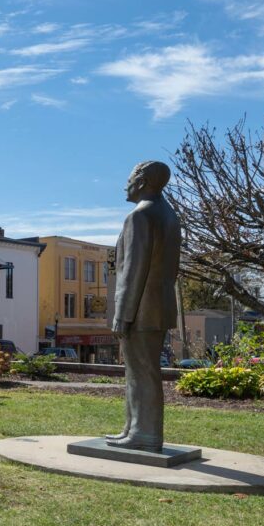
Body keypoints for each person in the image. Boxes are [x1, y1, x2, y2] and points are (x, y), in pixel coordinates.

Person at [106, 160, 182, 452]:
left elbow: (133, 271)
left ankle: (145, 434)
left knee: (142, 371)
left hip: (140, 308)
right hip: (159, 306)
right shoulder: (169, 215)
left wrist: (123, 314)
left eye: (130, 177)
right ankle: (133, 428)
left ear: (143, 181)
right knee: (139, 371)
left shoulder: (139, 216)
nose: (126, 184)